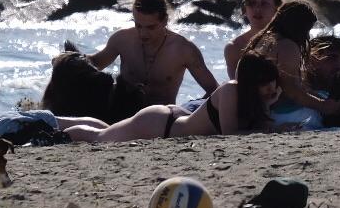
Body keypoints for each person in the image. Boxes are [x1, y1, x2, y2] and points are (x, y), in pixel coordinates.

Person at [62, 54, 279, 144]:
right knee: (99, 138)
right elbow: (230, 134)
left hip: (172, 120)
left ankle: (56, 122)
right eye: (265, 82)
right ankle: (56, 135)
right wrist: (271, 125)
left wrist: (266, 106)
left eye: (272, 81)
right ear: (252, 82)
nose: (272, 87)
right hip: (160, 125)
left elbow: (256, 127)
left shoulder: (252, 100)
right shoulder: (232, 89)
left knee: (105, 131)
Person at [88, 0, 218, 106]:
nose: (143, 33)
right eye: (138, 26)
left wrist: (189, 112)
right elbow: (92, 65)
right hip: (122, 115)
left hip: (161, 120)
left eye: (151, 27)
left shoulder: (184, 50)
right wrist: (70, 58)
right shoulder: (121, 40)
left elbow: (214, 90)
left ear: (165, 21)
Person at [249, 1, 340, 126]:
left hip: (257, 111)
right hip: (278, 115)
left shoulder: (263, 39)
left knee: (322, 95)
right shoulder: (287, 46)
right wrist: (323, 106)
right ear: (298, 26)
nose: (307, 35)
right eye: (307, 30)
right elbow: (291, 90)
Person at [224, 0, 283, 79]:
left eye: (264, 3)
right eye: (252, 2)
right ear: (244, 9)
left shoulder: (287, 43)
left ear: (276, 9)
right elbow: (237, 89)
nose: (257, 8)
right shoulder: (234, 48)